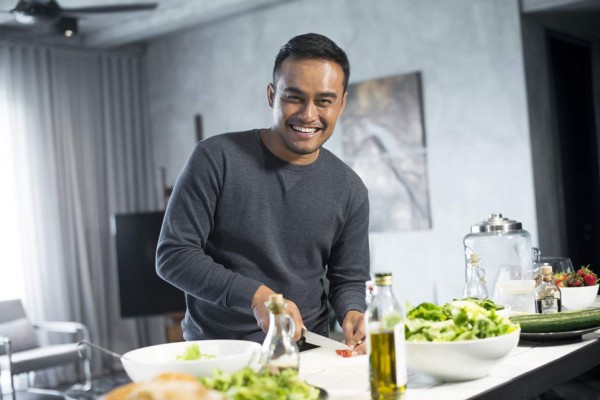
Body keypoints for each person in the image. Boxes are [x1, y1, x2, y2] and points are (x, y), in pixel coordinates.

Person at [156, 32, 370, 355]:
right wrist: (256, 297)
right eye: (294, 97)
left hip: (308, 355)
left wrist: (353, 311)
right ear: (272, 95)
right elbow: (173, 255)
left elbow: (349, 279)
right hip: (219, 355)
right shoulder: (215, 158)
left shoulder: (351, 189)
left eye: (323, 101)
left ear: (341, 104)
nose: (308, 115)